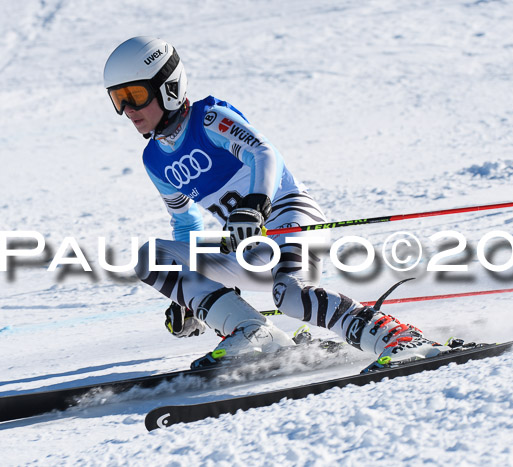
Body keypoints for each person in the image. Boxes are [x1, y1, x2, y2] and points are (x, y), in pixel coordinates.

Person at [103, 36, 450, 370]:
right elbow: (185, 224)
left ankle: (396, 336)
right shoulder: (154, 160)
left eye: (135, 94)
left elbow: (263, 152)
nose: (128, 110)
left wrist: (255, 204)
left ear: (169, 87)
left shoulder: (209, 119)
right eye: (118, 99)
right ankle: (253, 332)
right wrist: (188, 295)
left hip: (291, 218)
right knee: (152, 257)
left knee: (291, 297)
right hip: (248, 246)